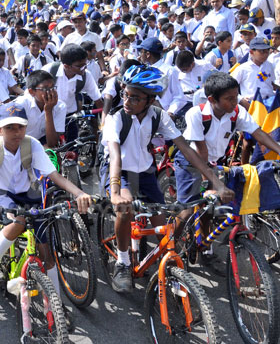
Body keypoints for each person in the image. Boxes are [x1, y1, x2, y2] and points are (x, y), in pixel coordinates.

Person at [100, 64, 234, 293]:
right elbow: (115, 156)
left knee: (163, 228)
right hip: (119, 171)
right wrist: (114, 192)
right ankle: (122, 263)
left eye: (135, 98)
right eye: (125, 94)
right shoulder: (116, 118)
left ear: (150, 100)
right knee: (125, 208)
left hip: (145, 172)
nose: (127, 100)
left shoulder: (158, 116)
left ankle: (167, 268)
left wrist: (217, 183)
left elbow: (187, 150)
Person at [0, 104, 92, 324]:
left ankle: (56, 305)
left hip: (29, 194)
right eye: (10, 128)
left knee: (46, 253)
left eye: (20, 127)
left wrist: (78, 192)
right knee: (20, 219)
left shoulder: (32, 144)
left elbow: (54, 175)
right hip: (1, 193)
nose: (16, 132)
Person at [175, 72, 280, 269]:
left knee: (209, 208)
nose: (235, 102)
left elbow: (259, 134)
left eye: (236, 96)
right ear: (212, 99)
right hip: (191, 163)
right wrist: (216, 183)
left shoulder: (236, 112)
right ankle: (172, 245)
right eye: (229, 99)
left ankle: (205, 248)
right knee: (187, 211)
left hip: (213, 163)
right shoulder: (196, 114)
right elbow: (200, 153)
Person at [13, 70, 66, 148]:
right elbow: (13, 135)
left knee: (53, 154)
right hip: (21, 142)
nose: (51, 92)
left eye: (53, 87)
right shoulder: (21, 104)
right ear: (32, 92)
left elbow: (52, 143)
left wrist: (48, 111)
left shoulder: (60, 106)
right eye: (45, 89)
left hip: (41, 140)